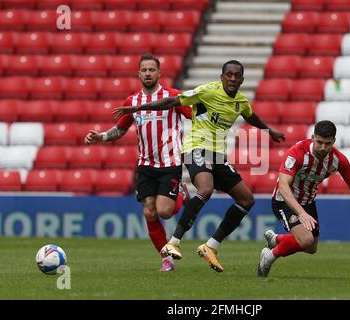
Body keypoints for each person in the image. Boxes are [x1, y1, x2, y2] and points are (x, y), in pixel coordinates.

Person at [114, 60, 286, 272]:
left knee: (246, 199)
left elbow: (251, 116)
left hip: (217, 156)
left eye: (236, 75)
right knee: (206, 188)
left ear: (242, 79)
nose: (232, 79)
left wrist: (270, 130)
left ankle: (211, 246)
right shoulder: (206, 91)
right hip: (195, 148)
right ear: (221, 76)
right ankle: (173, 242)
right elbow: (172, 102)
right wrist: (138, 107)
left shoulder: (241, 101)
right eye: (228, 74)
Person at [85, 53, 192, 272]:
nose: (148, 73)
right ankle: (167, 259)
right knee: (149, 212)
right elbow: (120, 130)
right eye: (144, 70)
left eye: (152, 70)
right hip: (145, 166)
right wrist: (102, 137)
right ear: (138, 73)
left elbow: (196, 115)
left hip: (170, 162)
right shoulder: (132, 102)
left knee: (164, 211)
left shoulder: (173, 97)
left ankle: (182, 192)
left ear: (159, 73)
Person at [257, 120, 350, 277]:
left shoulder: (338, 159)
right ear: (312, 138)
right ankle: (268, 257)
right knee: (306, 240)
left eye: (328, 143)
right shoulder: (297, 152)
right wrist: (301, 213)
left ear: (334, 141)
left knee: (311, 248)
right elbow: (284, 186)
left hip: (308, 202)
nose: (323, 147)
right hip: (285, 201)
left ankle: (275, 239)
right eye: (319, 142)